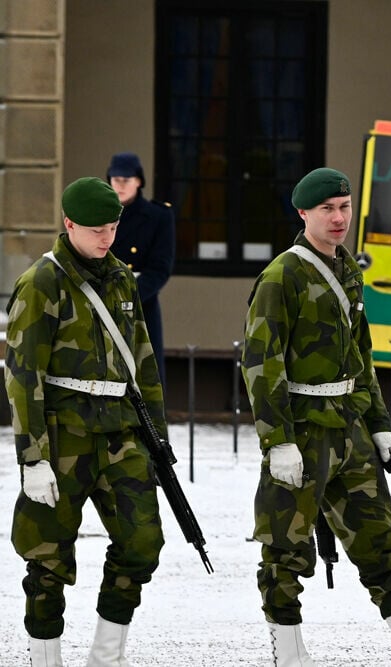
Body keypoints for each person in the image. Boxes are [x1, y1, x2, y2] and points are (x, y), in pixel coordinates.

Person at [242, 167, 391, 667]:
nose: (338, 218)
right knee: (286, 547)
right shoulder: (282, 276)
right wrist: (278, 441)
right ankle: (287, 654)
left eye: (345, 207)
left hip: (348, 426)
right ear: (303, 214)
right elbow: (260, 364)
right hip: (303, 427)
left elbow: (361, 354)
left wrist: (378, 424)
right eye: (327, 209)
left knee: (378, 537)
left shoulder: (347, 268)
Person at [7, 177, 168, 666]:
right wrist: (31, 457)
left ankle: (105, 655)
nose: (107, 238)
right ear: (68, 223)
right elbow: (22, 376)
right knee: (47, 557)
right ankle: (45, 658)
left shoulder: (121, 278)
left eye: (114, 227)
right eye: (96, 229)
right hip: (62, 437)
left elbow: (143, 363)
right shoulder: (43, 282)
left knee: (143, 543)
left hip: (120, 435)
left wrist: (156, 440)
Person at [107, 152, 176, 386]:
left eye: (125, 180)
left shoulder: (158, 216)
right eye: (115, 179)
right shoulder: (102, 215)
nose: (120, 185)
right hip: (102, 300)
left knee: (146, 374)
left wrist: (129, 293)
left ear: (138, 181)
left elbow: (160, 268)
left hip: (141, 303)